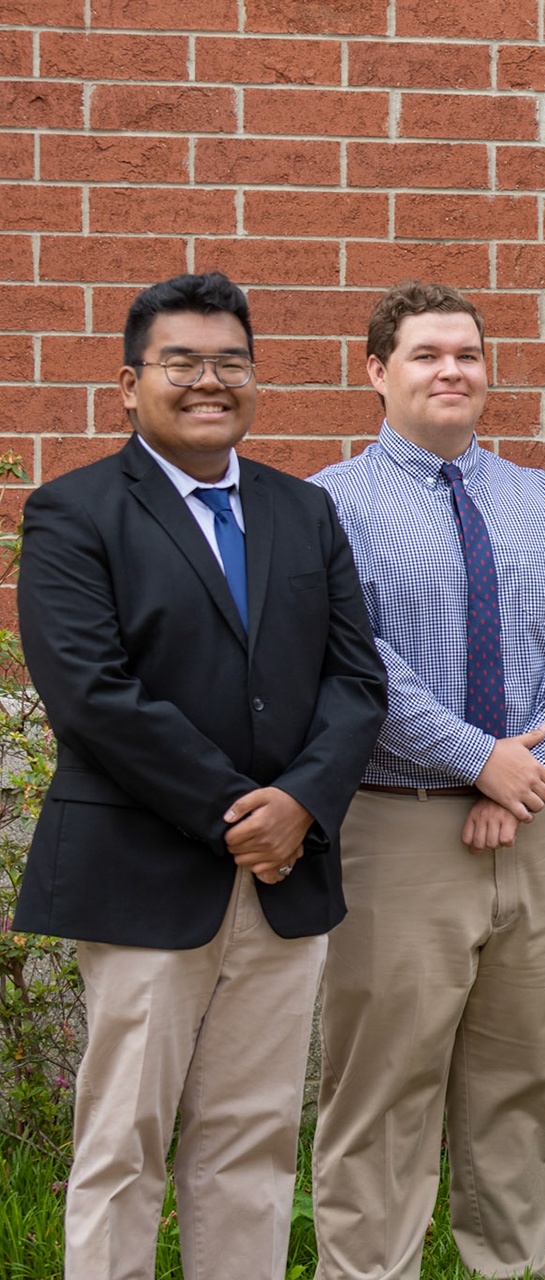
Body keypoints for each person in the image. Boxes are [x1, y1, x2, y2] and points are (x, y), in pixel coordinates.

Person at [13, 272, 386, 1280]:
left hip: (284, 879)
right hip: (143, 875)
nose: (208, 380)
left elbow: (357, 681)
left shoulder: (304, 511)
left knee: (252, 1142)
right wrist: (237, 812)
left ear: (254, 379)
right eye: (181, 361)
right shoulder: (73, 512)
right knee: (123, 1142)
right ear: (130, 383)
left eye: (230, 360)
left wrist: (302, 802)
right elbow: (92, 694)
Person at [308, 281, 545, 1280]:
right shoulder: (327, 505)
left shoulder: (544, 499)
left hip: (537, 829)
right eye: (426, 353)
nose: (452, 370)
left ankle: (517, 1264)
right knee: (383, 1087)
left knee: (532, 1078)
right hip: (395, 828)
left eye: (468, 354)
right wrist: (476, 756)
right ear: (376, 372)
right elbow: (357, 658)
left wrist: (518, 774)